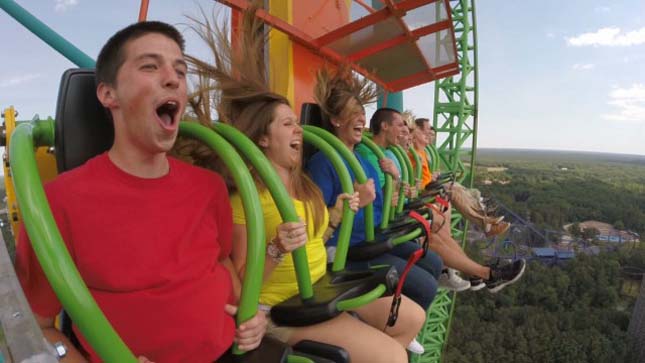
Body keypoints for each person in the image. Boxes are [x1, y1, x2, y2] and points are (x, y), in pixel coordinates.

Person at [15, 21, 266, 363]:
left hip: (231, 354)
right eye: (150, 66)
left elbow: (219, 261)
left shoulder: (208, 187)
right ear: (108, 94)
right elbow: (41, 328)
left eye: (180, 70)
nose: (173, 78)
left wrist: (249, 314)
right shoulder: (57, 202)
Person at [185, 10, 425, 363]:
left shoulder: (303, 187)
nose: (299, 131)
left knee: (413, 317)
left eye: (298, 123)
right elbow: (239, 281)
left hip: (317, 287)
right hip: (280, 307)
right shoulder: (245, 199)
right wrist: (276, 248)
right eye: (288, 124)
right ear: (263, 138)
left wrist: (338, 215)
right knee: (392, 358)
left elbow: (317, 240)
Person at [305, 66, 443, 319]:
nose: (361, 120)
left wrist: (393, 192)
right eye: (354, 114)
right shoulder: (323, 163)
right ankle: (394, 328)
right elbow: (318, 225)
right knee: (425, 287)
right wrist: (355, 205)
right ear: (336, 120)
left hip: (370, 235)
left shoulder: (364, 161)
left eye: (362, 114)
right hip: (344, 246)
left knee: (434, 263)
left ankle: (396, 318)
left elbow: (378, 204)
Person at [410, 118, 510, 238]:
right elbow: (412, 179)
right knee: (454, 191)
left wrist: (432, 176)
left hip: (428, 186)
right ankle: (485, 223)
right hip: (424, 191)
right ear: (415, 133)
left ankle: (485, 218)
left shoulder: (422, 152)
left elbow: (421, 176)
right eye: (426, 131)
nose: (429, 134)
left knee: (459, 188)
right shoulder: (413, 154)